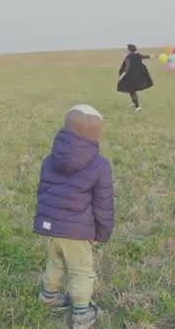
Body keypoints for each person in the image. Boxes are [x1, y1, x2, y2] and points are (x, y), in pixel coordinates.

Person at [34, 104, 115, 328]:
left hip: (49, 227)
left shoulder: (49, 160)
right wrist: (103, 233)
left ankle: (48, 296)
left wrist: (44, 220)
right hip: (77, 233)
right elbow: (104, 204)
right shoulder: (100, 165)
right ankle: (81, 312)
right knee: (81, 270)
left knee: (56, 262)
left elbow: (42, 191)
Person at [117, 44, 155, 111]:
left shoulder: (128, 58)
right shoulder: (138, 55)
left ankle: (137, 107)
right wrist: (155, 56)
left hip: (132, 77)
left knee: (132, 90)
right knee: (131, 90)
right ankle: (133, 102)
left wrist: (121, 76)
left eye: (127, 48)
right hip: (137, 75)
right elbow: (146, 56)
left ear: (129, 50)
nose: (126, 49)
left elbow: (127, 68)